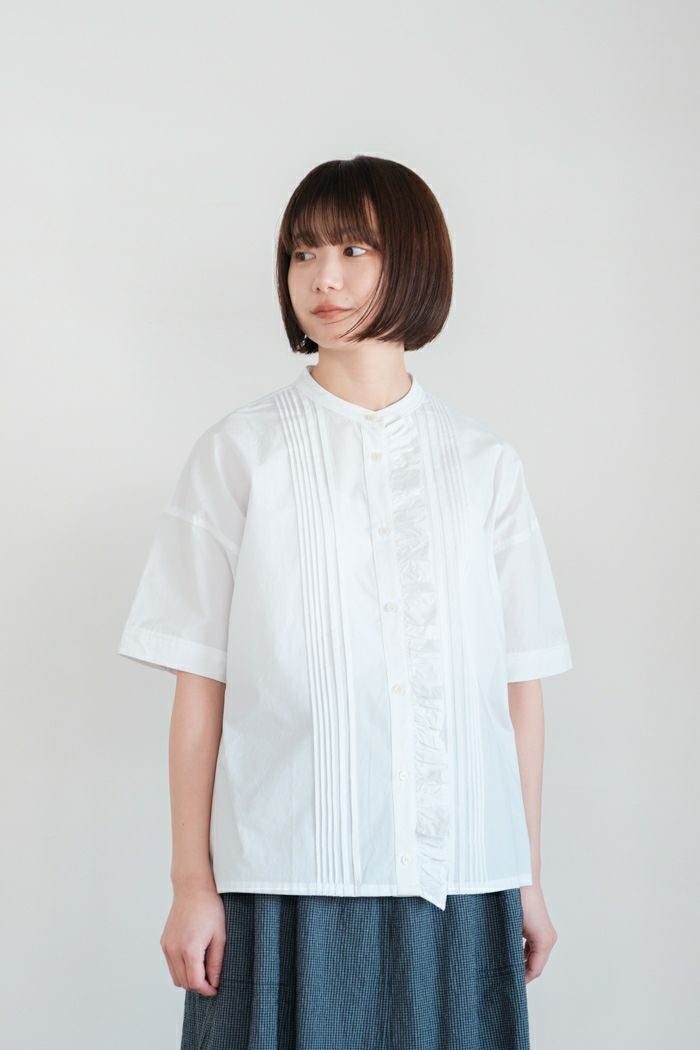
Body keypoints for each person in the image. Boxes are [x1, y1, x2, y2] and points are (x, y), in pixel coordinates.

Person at [117, 155, 573, 1050]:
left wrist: (525, 873)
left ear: (415, 261)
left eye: (355, 249)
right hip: (286, 874)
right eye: (303, 252)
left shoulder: (483, 464)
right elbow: (200, 686)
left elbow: (516, 689)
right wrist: (190, 883)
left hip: (461, 878)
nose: (323, 278)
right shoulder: (240, 454)